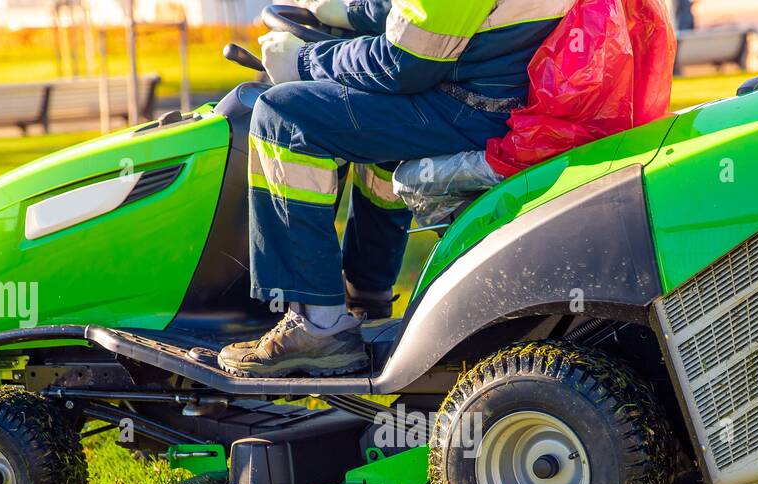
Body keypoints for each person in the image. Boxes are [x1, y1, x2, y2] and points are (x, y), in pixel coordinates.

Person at [217, 0, 575, 378]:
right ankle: (368, 298)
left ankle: (315, 325)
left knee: (282, 117)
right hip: (517, 93)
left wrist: (303, 61)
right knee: (373, 133)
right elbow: (434, 15)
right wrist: (348, 12)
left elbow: (402, 62)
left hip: (480, 107)